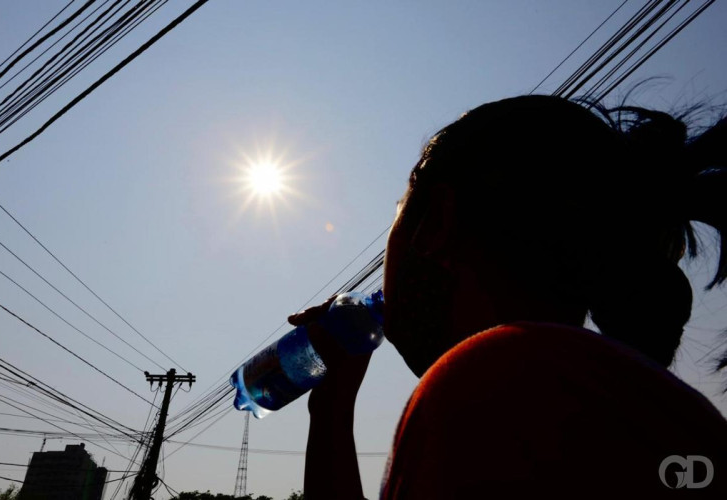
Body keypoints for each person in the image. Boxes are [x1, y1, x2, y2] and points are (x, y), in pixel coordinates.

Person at [291, 95, 727, 498]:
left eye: (400, 212)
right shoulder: (640, 407)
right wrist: (332, 406)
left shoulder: (492, 382)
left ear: (437, 222)